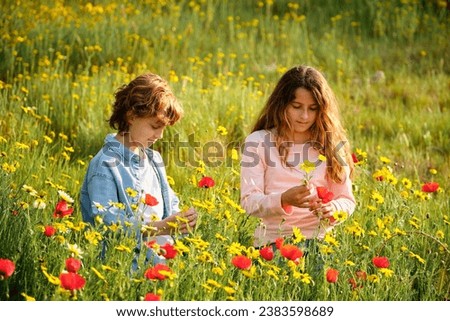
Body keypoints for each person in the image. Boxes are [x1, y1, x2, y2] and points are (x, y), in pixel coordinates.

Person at [80, 73, 197, 269]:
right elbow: (108, 224)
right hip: (120, 269)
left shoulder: (154, 160)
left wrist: (184, 220)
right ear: (132, 115)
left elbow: (170, 205)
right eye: (154, 126)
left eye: (164, 129)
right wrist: (161, 227)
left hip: (158, 263)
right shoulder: (105, 165)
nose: (159, 135)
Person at [240, 65, 355, 249]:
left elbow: (347, 200)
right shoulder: (258, 142)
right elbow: (249, 201)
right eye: (296, 107)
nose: (304, 116)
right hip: (272, 242)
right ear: (281, 104)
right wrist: (283, 199)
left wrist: (334, 209)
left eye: (313, 108)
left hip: (319, 241)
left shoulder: (331, 145)